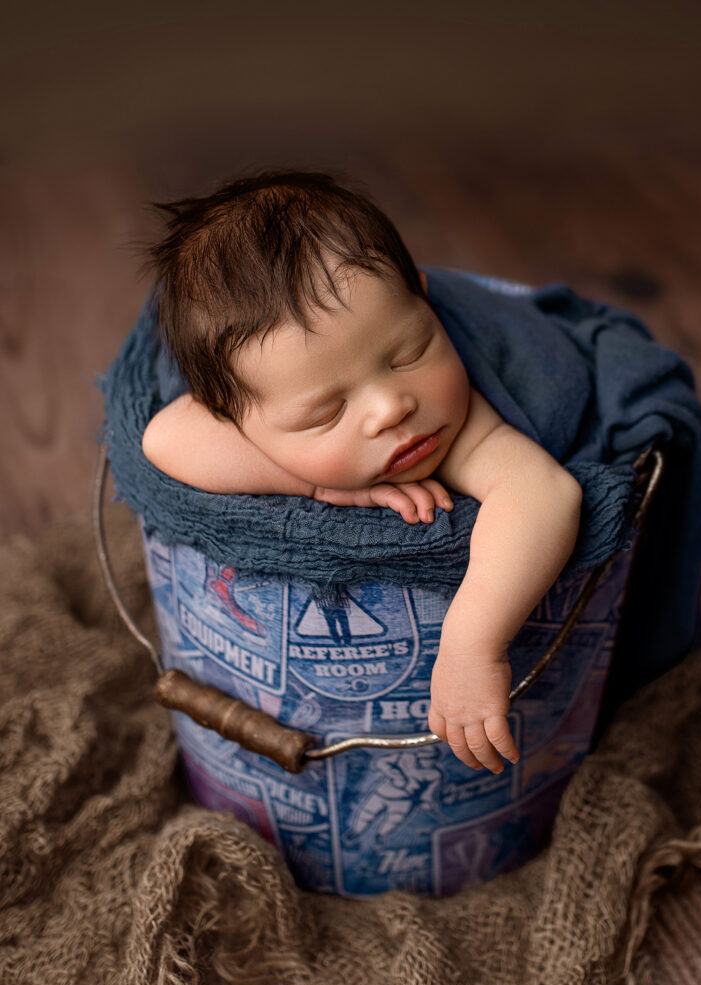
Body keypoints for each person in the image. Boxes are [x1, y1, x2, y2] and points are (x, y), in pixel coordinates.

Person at [141, 170, 583, 776]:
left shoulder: (459, 419)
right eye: (326, 411)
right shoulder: (245, 403)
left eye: (409, 353)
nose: (391, 407)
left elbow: (544, 492)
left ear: (424, 298)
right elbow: (163, 438)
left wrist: (471, 645)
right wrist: (316, 485)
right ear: (238, 422)